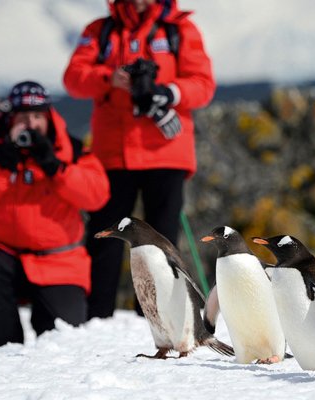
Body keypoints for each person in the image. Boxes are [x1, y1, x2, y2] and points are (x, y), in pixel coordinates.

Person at [63, 0, 215, 319]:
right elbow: (74, 78)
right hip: (113, 154)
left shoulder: (179, 30)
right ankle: (96, 318)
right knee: (105, 239)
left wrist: (168, 93)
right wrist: (110, 78)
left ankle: (154, 318)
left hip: (165, 153)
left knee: (159, 242)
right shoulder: (100, 31)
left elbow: (203, 84)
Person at [0, 81, 110, 349]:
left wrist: (56, 169)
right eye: (23, 117)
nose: (31, 125)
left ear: (49, 118)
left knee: (63, 340)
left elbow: (97, 196)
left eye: (37, 117)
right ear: (10, 120)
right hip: (1, 256)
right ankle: (5, 351)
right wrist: (1, 168)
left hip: (59, 261)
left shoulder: (71, 150)